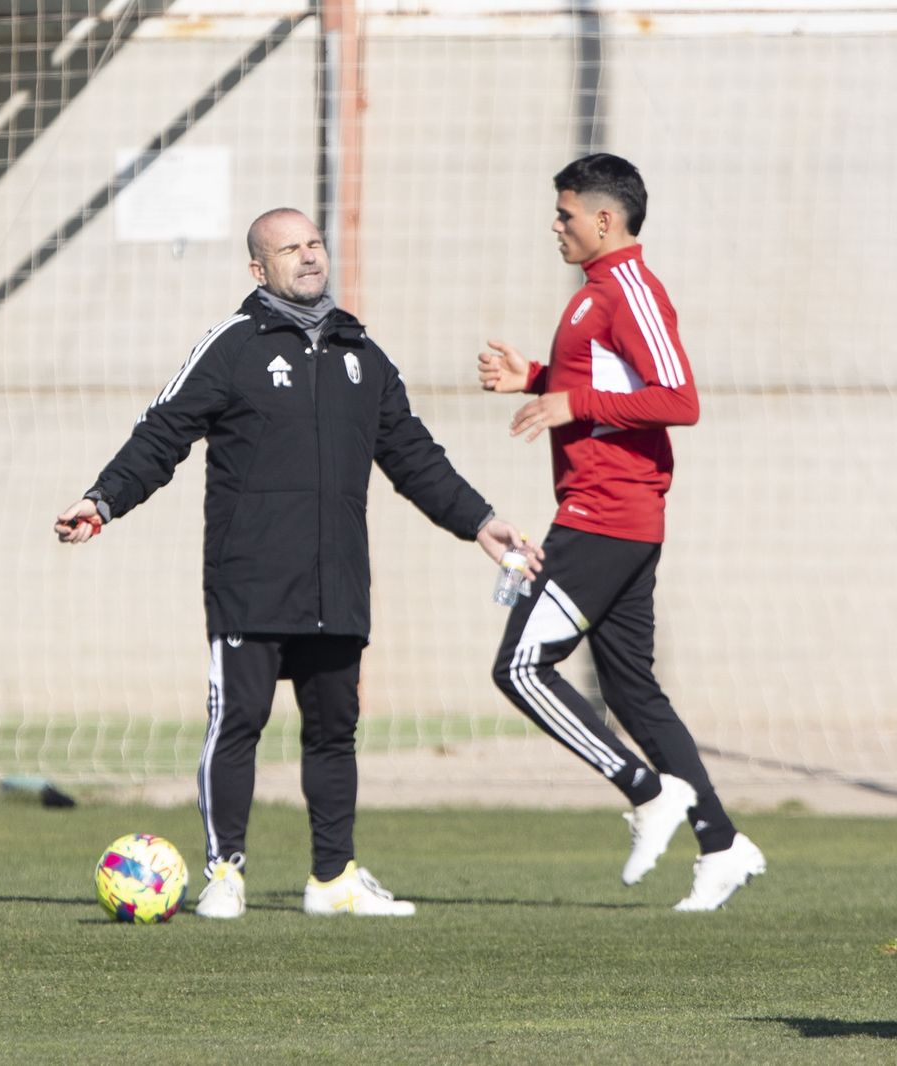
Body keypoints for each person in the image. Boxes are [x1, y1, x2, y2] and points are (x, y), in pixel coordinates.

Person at [55, 207, 539, 920]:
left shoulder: (363, 355)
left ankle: (332, 879)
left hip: (336, 582)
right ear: (259, 269)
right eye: (290, 249)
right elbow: (163, 433)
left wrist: (480, 521)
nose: (310, 256)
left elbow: (414, 455)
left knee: (334, 732)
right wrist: (104, 499)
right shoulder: (232, 346)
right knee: (239, 722)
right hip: (250, 580)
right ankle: (224, 874)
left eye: (314, 243)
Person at [476, 153, 764, 911]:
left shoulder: (631, 288)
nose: (555, 225)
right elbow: (611, 389)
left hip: (606, 515)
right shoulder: (592, 294)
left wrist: (573, 404)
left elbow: (680, 399)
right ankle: (723, 846)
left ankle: (646, 790)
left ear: (605, 219)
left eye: (565, 213)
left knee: (521, 668)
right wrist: (539, 380)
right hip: (610, 516)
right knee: (633, 693)